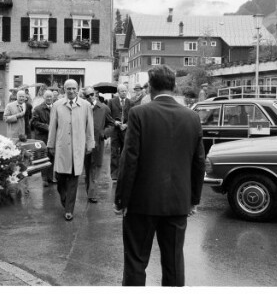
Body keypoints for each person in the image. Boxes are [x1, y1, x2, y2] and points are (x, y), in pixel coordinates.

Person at [114, 65, 205, 286]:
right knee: (174, 261)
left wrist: (121, 200)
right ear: (173, 86)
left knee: (136, 261)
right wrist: (193, 199)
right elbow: (199, 161)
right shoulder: (192, 117)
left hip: (141, 203)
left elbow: (130, 160)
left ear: (150, 88)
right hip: (177, 202)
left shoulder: (138, 113)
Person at [47, 79, 94, 221]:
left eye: (74, 88)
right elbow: (52, 126)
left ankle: (69, 209)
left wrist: (90, 143)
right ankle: (65, 199)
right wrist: (51, 144)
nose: (72, 91)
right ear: (64, 90)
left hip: (78, 148)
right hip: (62, 147)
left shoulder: (85, 105)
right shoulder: (57, 105)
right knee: (61, 179)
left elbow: (89, 126)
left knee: (74, 178)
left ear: (78, 89)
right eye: (69, 89)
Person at [83, 86, 114, 203]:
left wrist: (104, 134)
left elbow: (111, 124)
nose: (90, 97)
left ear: (96, 94)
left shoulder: (104, 108)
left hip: (98, 143)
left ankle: (92, 193)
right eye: (87, 96)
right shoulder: (82, 108)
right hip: (84, 144)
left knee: (95, 169)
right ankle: (90, 192)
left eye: (91, 94)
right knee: (87, 169)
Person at [31, 90, 56, 186]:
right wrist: (47, 127)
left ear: (53, 97)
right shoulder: (38, 109)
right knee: (44, 157)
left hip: (53, 137)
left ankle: (50, 177)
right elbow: (34, 123)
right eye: (47, 97)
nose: (49, 98)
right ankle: (44, 179)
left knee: (52, 157)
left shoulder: (56, 107)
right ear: (44, 98)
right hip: (42, 137)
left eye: (50, 96)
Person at [107, 84, 131, 181]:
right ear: (118, 92)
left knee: (125, 152)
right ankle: (114, 174)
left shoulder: (130, 102)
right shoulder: (111, 102)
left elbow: (133, 116)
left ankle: (124, 173)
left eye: (125, 91)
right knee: (114, 152)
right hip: (115, 131)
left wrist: (127, 124)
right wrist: (114, 122)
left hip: (125, 130)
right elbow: (108, 115)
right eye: (122, 91)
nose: (124, 93)